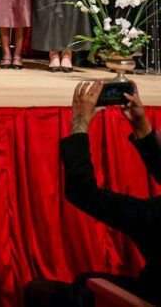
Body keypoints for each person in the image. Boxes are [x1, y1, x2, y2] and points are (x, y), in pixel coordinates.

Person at [23, 81, 161, 305]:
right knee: (84, 281)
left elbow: (81, 191)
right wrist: (140, 125)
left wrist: (80, 123)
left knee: (39, 290)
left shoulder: (151, 215)